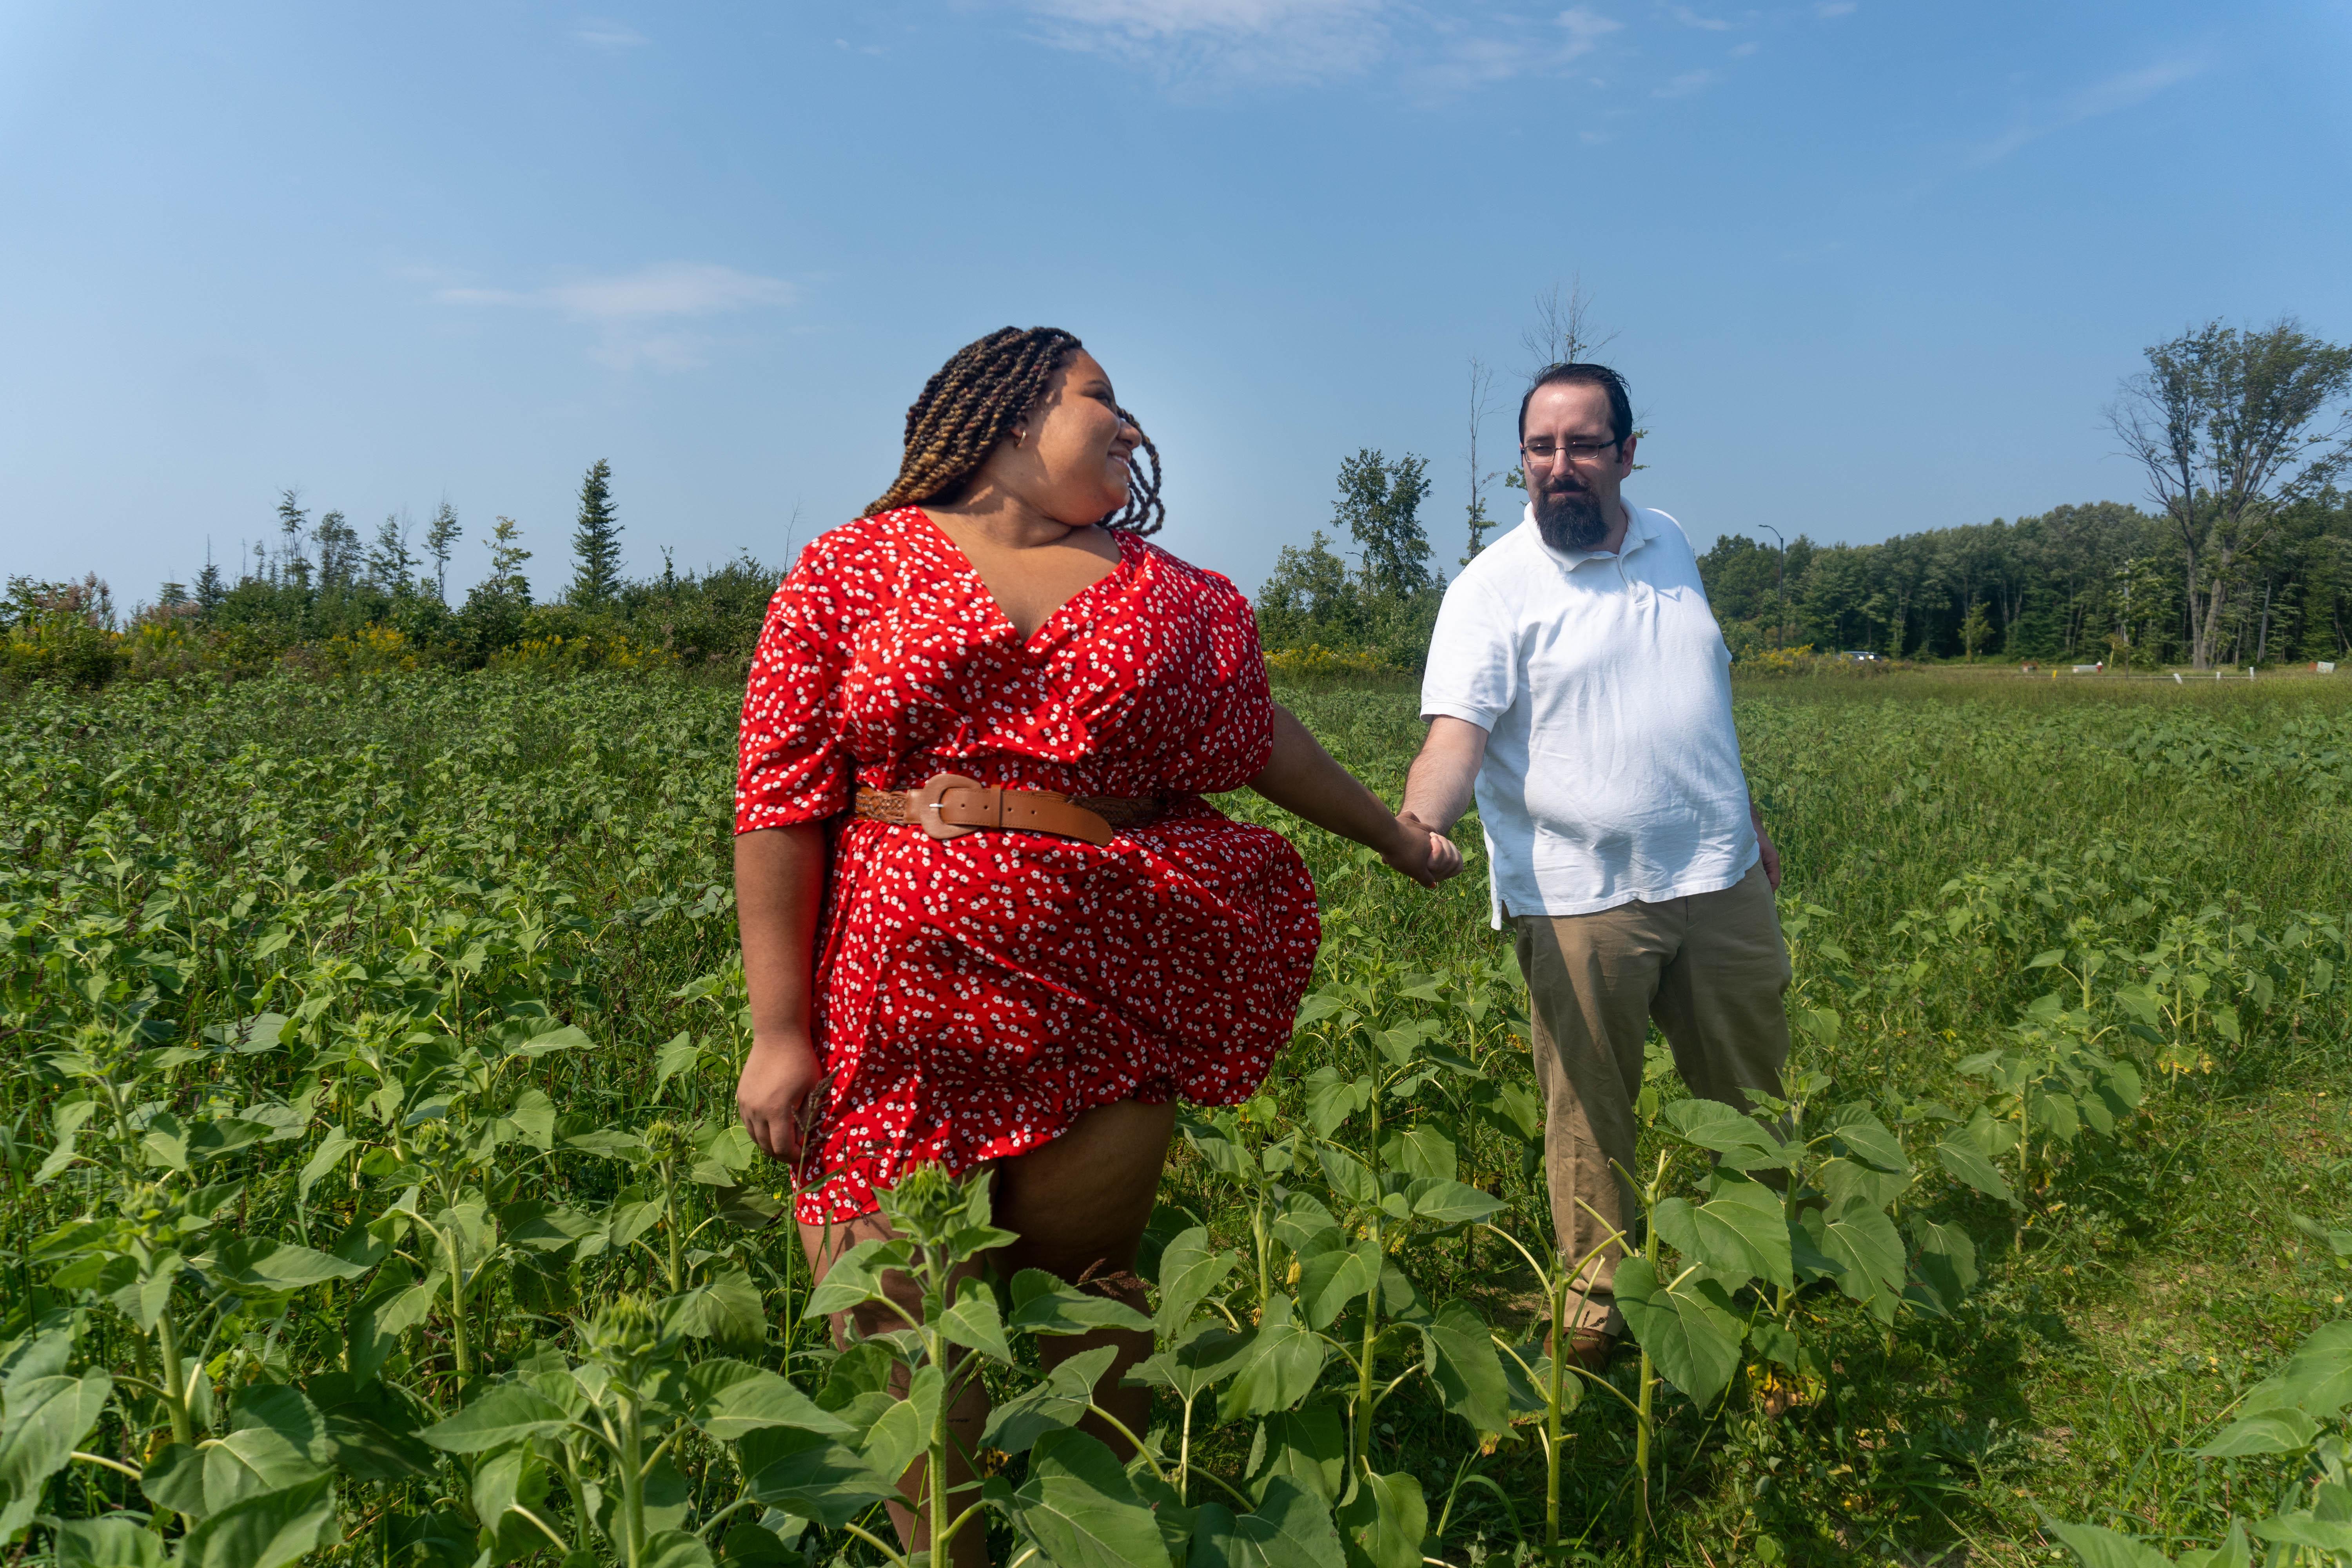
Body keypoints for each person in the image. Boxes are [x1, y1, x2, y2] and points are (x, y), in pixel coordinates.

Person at [732, 326, 1458, 1564]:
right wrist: (778, 1030)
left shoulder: (1174, 597)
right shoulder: (850, 569)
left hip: (1106, 994)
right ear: (1011, 416)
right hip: (889, 1009)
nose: (1129, 425)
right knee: (907, 1334)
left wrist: (1394, 835)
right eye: (1100, 399)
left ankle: (1101, 1538)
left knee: (1088, 1310)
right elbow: (781, 797)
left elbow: (1261, 738)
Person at [1397, 361, 1788, 1371]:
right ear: (1522, 462)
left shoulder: (1673, 546)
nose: (1560, 465)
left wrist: (1746, 819)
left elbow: (1697, 703)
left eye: (1582, 444)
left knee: (1751, 1098)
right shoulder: (1492, 589)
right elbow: (1456, 734)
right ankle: (1599, 1317)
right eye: (1541, 447)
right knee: (1589, 1118)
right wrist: (1419, 822)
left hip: (1719, 876)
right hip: (1580, 897)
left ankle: (1755, 1285)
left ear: (1625, 450)